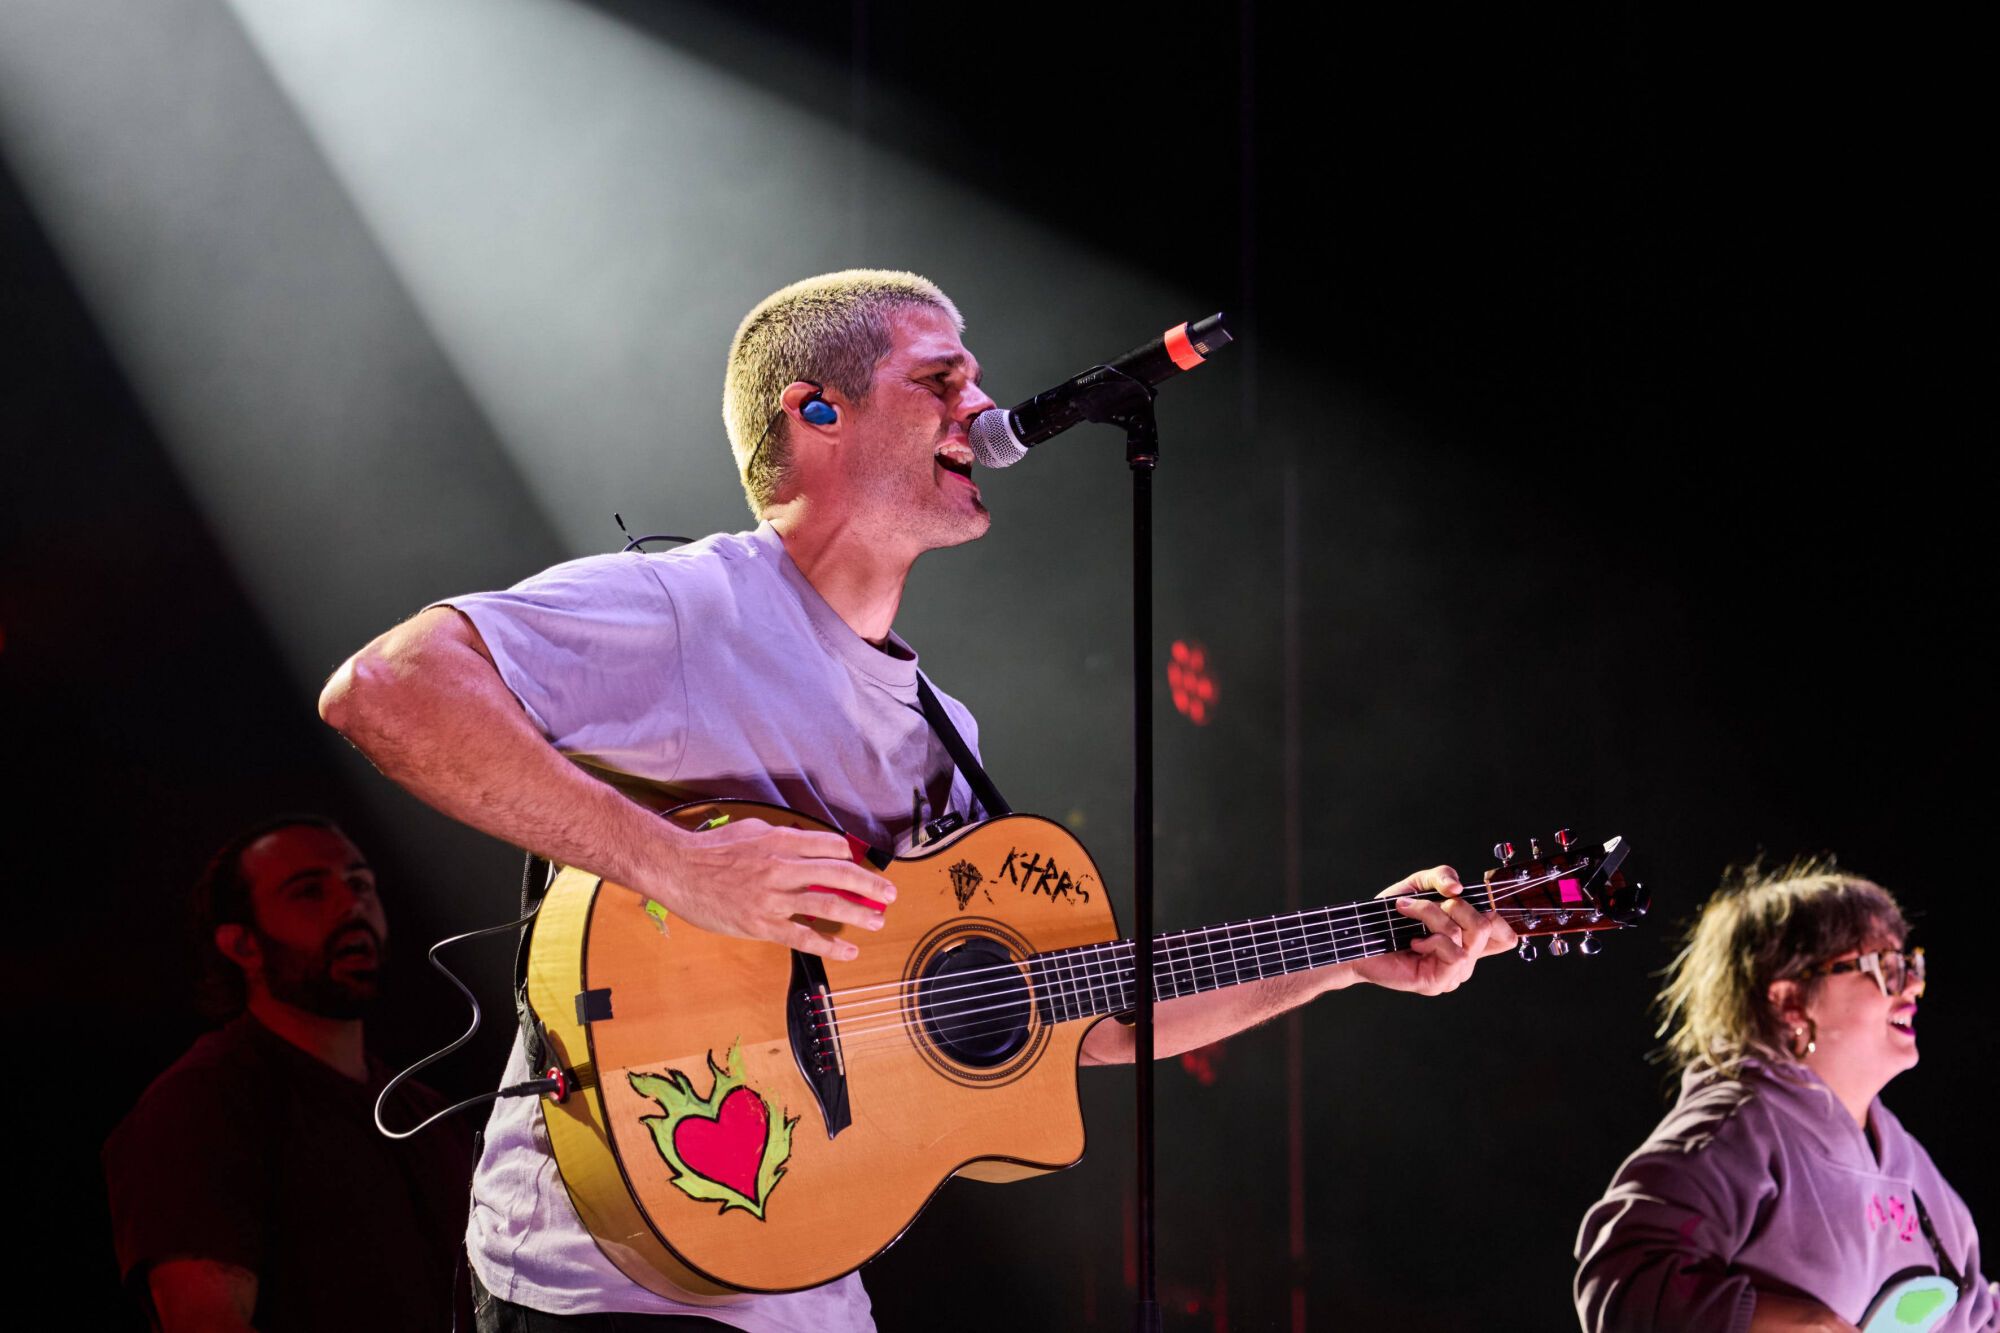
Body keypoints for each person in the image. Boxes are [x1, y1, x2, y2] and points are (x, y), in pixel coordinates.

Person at [318, 269, 1518, 1331]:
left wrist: (1346, 953)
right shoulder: (696, 605)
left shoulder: (945, 727)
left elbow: (1079, 1018)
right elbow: (386, 689)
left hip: (809, 1283)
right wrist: (683, 870)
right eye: (941, 379)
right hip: (609, 1283)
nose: (979, 412)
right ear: (817, 410)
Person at [1574, 859, 1997, 1332]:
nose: (1914, 985)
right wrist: (1774, 1320)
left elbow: (1974, 1318)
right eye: (1885, 967)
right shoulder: (1739, 1127)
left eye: (1909, 963)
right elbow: (1623, 1280)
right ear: (1790, 1001)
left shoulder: (1917, 1173)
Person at [103, 816, 474, 1333]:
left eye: (361, 884)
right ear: (243, 946)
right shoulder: (202, 1103)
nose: (352, 905)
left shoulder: (429, 1114)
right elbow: (206, 1321)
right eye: (309, 892)